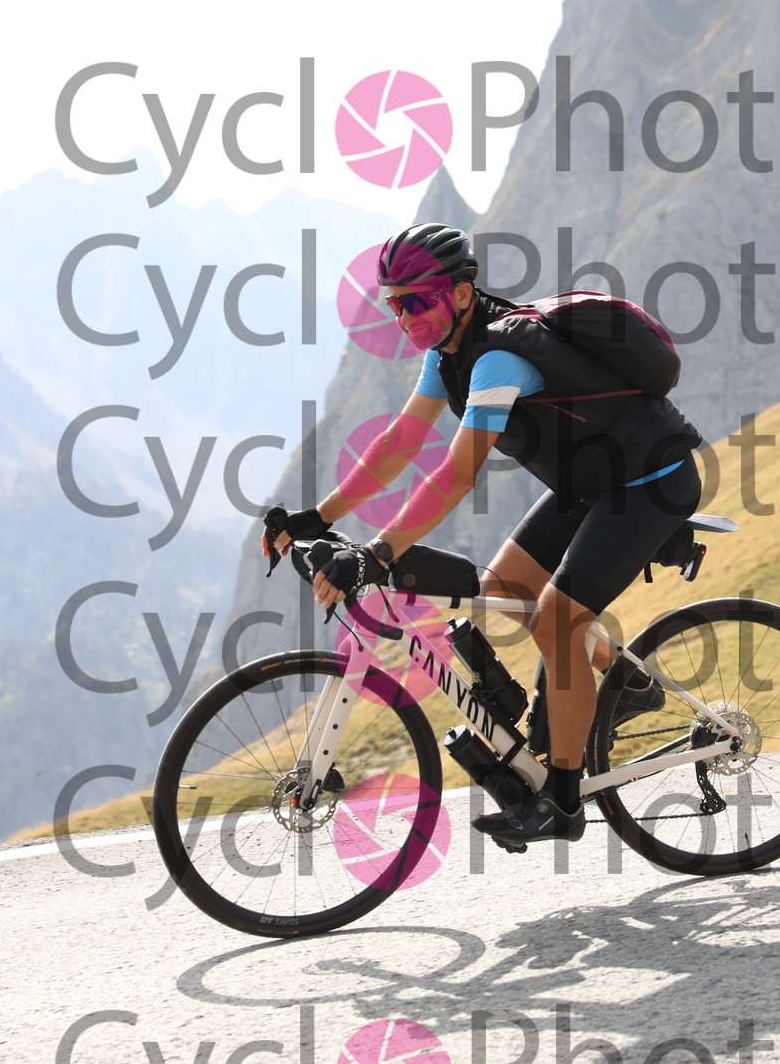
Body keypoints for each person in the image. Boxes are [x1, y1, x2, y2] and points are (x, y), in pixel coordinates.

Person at [272, 223, 703, 845]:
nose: (405, 316)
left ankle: (562, 802)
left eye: (417, 301)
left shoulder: (499, 357)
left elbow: (456, 474)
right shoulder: (446, 353)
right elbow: (401, 441)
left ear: (461, 293)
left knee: (556, 620)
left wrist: (377, 552)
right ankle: (628, 683)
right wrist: (321, 517)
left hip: (650, 479)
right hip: (589, 483)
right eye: (395, 304)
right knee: (504, 592)